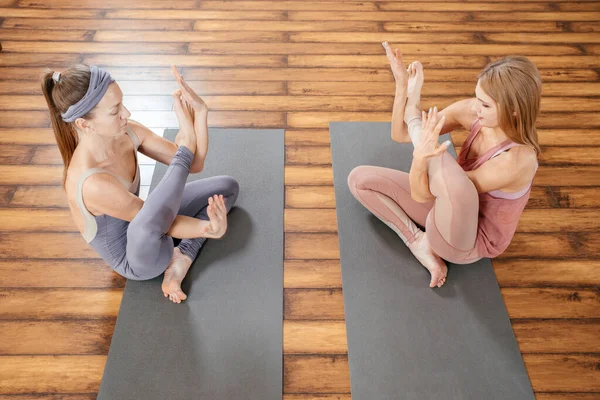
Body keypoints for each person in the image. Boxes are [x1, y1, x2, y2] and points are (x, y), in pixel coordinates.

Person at [41, 64, 240, 303]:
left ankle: (182, 258)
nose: (127, 113)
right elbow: (157, 225)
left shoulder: (127, 133)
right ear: (84, 124)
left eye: (122, 104)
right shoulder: (91, 182)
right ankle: (177, 256)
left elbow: (193, 164)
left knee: (226, 188)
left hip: (152, 222)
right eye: (115, 111)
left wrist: (199, 113)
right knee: (145, 223)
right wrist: (208, 229)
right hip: (140, 260)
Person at [348, 42, 541, 288]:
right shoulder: (472, 111)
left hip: (465, 241)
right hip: (441, 207)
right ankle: (418, 242)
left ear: (514, 110)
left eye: (485, 104)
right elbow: (401, 134)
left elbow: (429, 192)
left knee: (450, 174)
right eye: (477, 98)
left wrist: (421, 156)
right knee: (359, 180)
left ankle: (433, 241)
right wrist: (402, 87)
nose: (476, 107)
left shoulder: (517, 161)